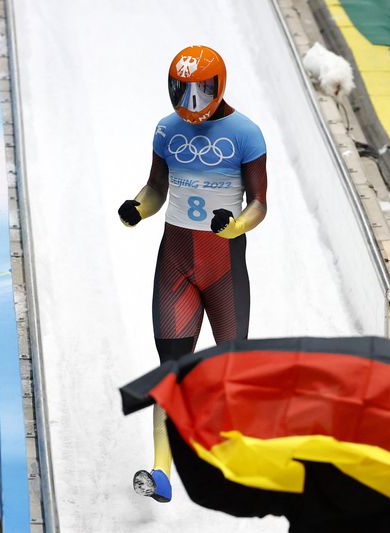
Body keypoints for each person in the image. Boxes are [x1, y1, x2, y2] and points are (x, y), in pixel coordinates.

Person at [119, 44, 268, 502]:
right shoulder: (167, 130)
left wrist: (234, 226)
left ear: (219, 87)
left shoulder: (245, 134)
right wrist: (137, 209)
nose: (191, 102)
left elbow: (259, 205)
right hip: (177, 263)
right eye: (182, 92)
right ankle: (161, 472)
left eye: (201, 92)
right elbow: (156, 188)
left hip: (223, 265)